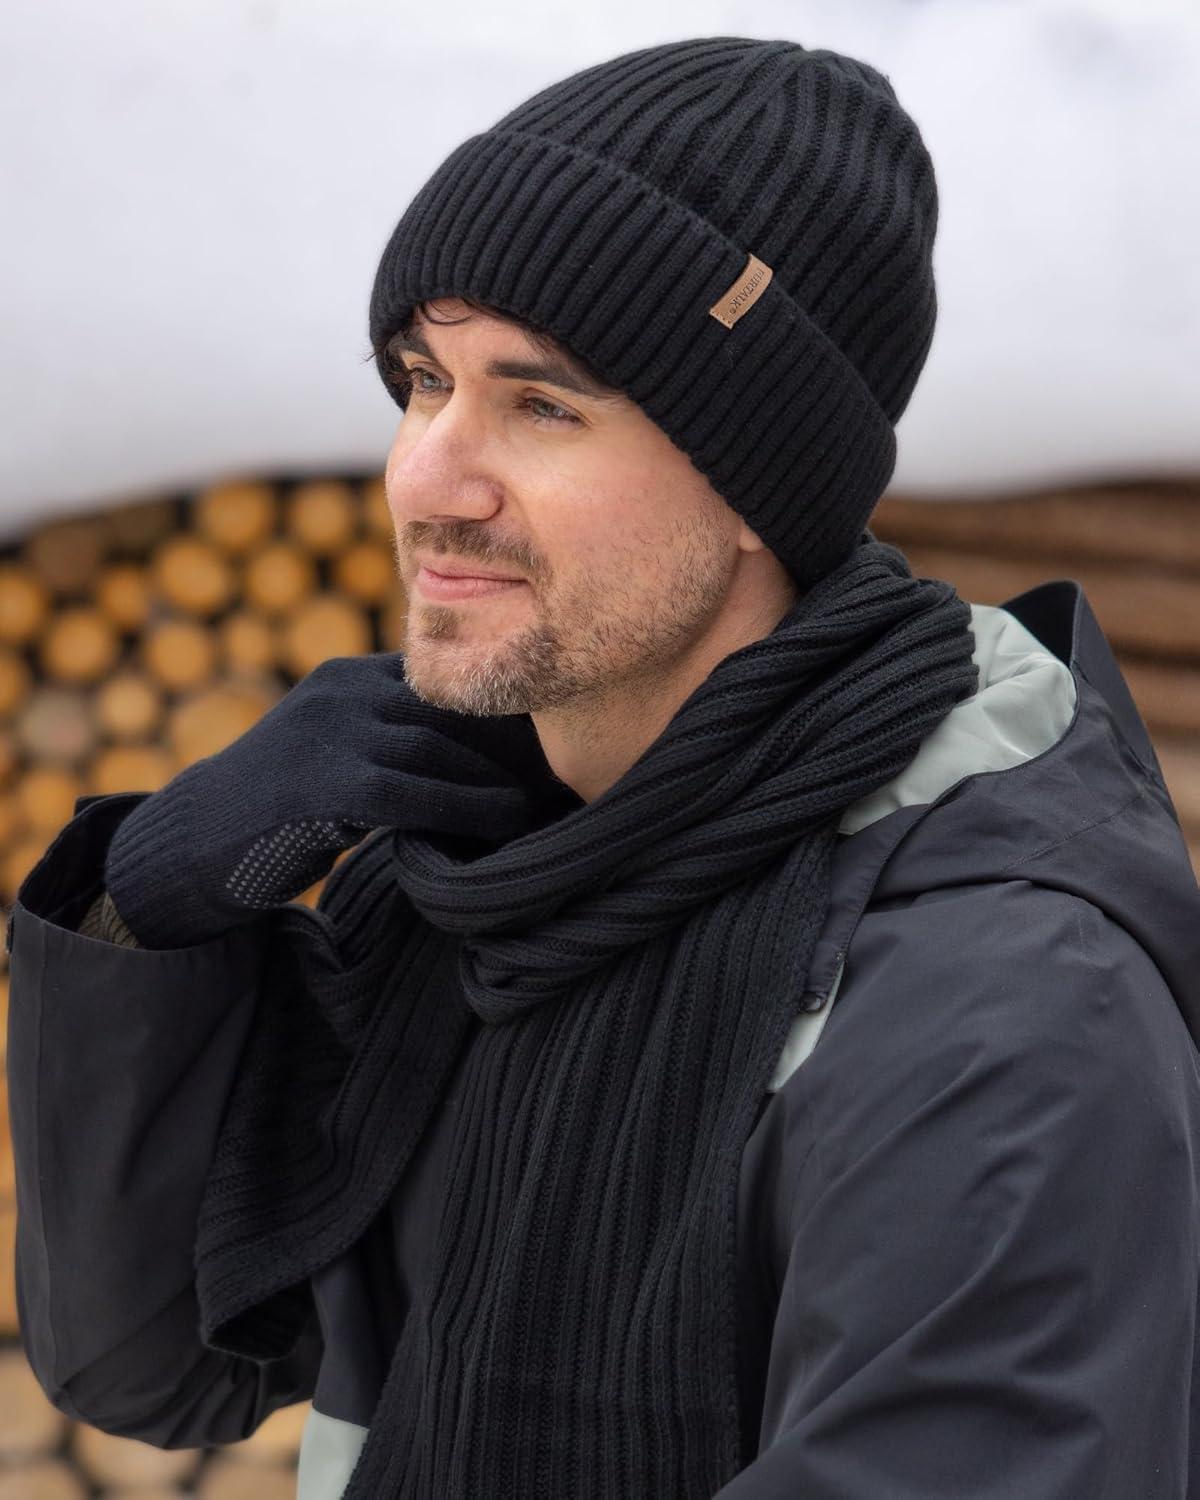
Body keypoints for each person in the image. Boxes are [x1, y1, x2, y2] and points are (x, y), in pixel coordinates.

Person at [7, 34, 1200, 1500]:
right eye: (422, 381)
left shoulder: (995, 1005)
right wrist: (149, 910)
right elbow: (161, 1363)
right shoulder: (494, 888)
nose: (424, 478)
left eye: (543, 405)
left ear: (757, 485)